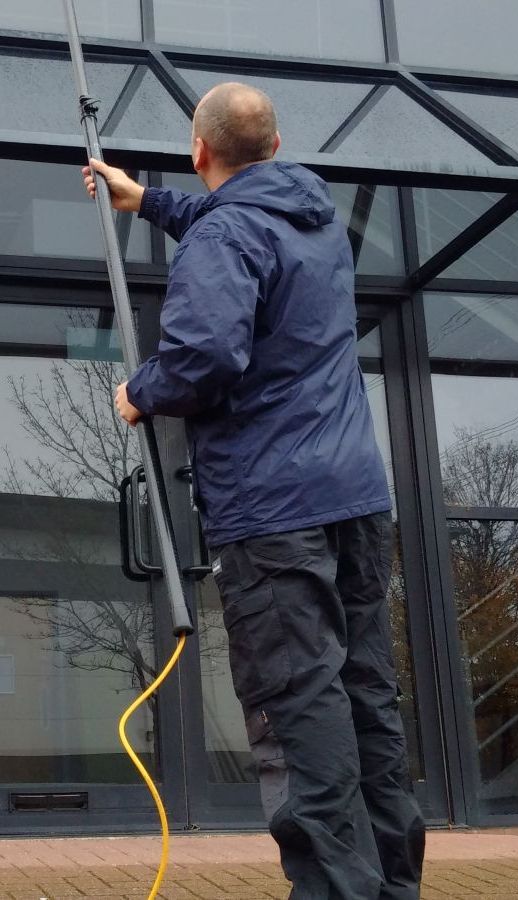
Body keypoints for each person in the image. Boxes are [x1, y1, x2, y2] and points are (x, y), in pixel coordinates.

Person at [83, 82, 425, 898]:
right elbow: (237, 222)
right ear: (274, 148)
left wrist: (143, 390)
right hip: (353, 502)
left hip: (275, 515)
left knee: (298, 708)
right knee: (364, 697)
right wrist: (150, 203)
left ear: (202, 152)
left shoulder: (228, 234)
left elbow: (205, 358)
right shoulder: (315, 221)